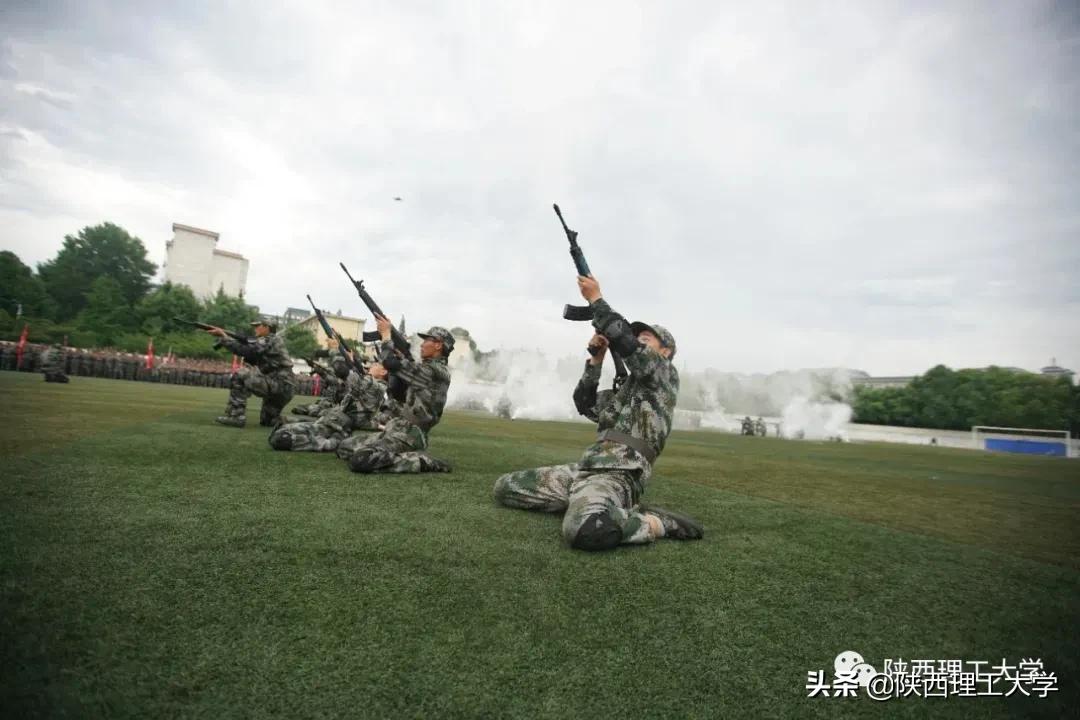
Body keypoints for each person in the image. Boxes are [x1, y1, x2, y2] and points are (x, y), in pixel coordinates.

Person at [493, 274, 703, 550]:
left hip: (619, 474)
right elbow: (584, 403)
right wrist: (596, 360)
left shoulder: (664, 375)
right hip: (585, 470)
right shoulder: (626, 390)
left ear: (665, 351)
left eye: (645, 339)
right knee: (506, 487)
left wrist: (595, 298)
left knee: (586, 531)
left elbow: (624, 339)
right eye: (638, 338)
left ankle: (655, 522)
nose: (638, 341)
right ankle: (592, 503)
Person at [337, 317, 453, 473]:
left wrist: (386, 334)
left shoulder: (434, 371)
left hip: (411, 435)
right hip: (398, 428)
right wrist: (401, 355)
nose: (422, 344)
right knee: (344, 447)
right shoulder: (427, 368)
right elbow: (397, 388)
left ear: (438, 345)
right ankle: (400, 455)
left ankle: (423, 461)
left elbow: (389, 362)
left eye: (427, 340)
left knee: (361, 460)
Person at [269, 363, 388, 452]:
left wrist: (350, 363)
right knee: (282, 430)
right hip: (332, 421)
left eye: (377, 365)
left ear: (383, 372)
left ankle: (294, 441)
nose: (372, 365)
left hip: (338, 427)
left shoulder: (378, 387)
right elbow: (354, 383)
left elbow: (357, 380)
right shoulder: (370, 385)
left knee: (281, 438)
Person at [206, 320, 295, 427]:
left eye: (258, 326)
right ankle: (303, 422)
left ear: (267, 327)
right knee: (269, 421)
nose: (255, 329)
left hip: (278, 384)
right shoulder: (271, 341)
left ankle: (236, 417)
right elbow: (251, 355)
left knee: (240, 374)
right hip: (284, 387)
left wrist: (224, 337)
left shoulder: (269, 339)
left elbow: (247, 351)